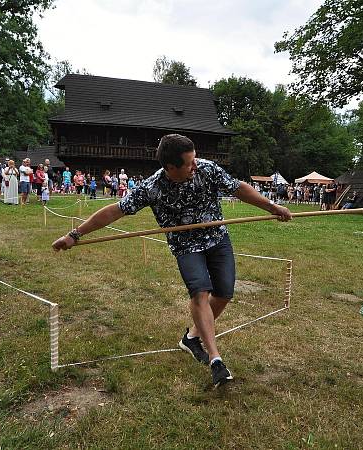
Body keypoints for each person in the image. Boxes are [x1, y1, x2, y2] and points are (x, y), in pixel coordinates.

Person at [51, 133, 292, 387]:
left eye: (194, 159)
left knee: (223, 293)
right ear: (170, 167)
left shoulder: (206, 169)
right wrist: (74, 234)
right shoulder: (152, 187)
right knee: (200, 293)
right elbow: (115, 211)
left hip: (217, 238)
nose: (195, 165)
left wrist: (272, 207)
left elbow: (238, 188)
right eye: (189, 163)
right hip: (185, 246)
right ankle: (216, 360)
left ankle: (191, 337)